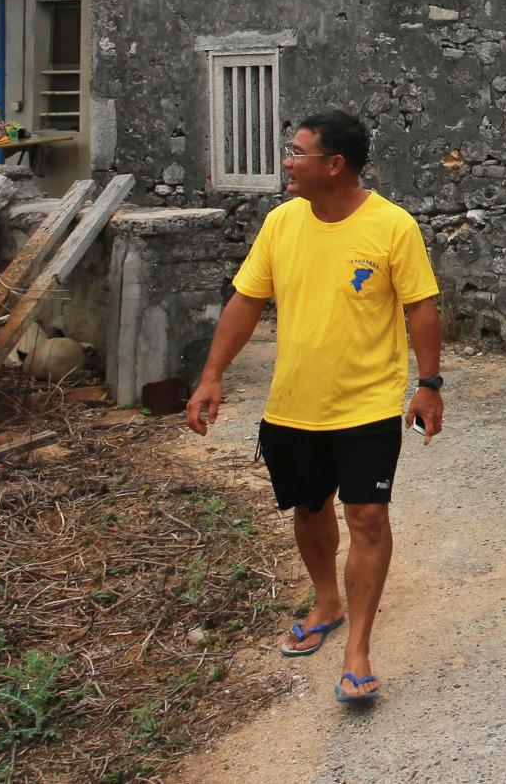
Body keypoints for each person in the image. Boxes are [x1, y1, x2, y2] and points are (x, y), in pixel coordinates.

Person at [184, 109, 443, 705]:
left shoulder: (392, 226)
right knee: (308, 507)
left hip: (368, 404)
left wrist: (428, 383)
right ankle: (326, 599)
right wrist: (212, 376)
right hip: (294, 404)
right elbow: (246, 302)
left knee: (369, 518)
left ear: (335, 165)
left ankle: (358, 648)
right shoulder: (281, 224)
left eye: (296, 151)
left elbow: (420, 307)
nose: (286, 162)